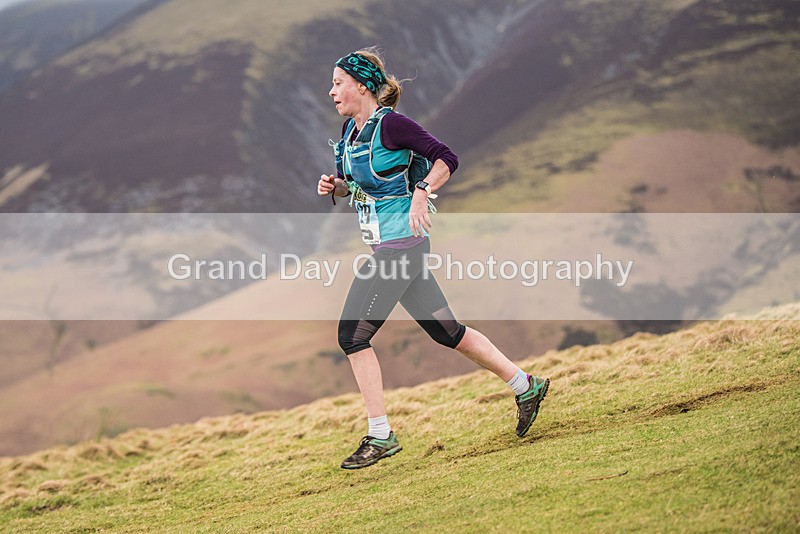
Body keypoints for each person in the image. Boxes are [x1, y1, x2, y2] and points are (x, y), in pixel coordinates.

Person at [317, 48, 550, 470]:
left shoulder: (393, 125)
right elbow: (365, 189)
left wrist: (422, 190)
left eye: (337, 82)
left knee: (352, 337)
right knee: (448, 332)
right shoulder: (350, 135)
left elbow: (447, 157)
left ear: (363, 85)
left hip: (401, 246)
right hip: (388, 247)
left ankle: (381, 434)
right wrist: (335, 188)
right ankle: (525, 384)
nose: (331, 91)